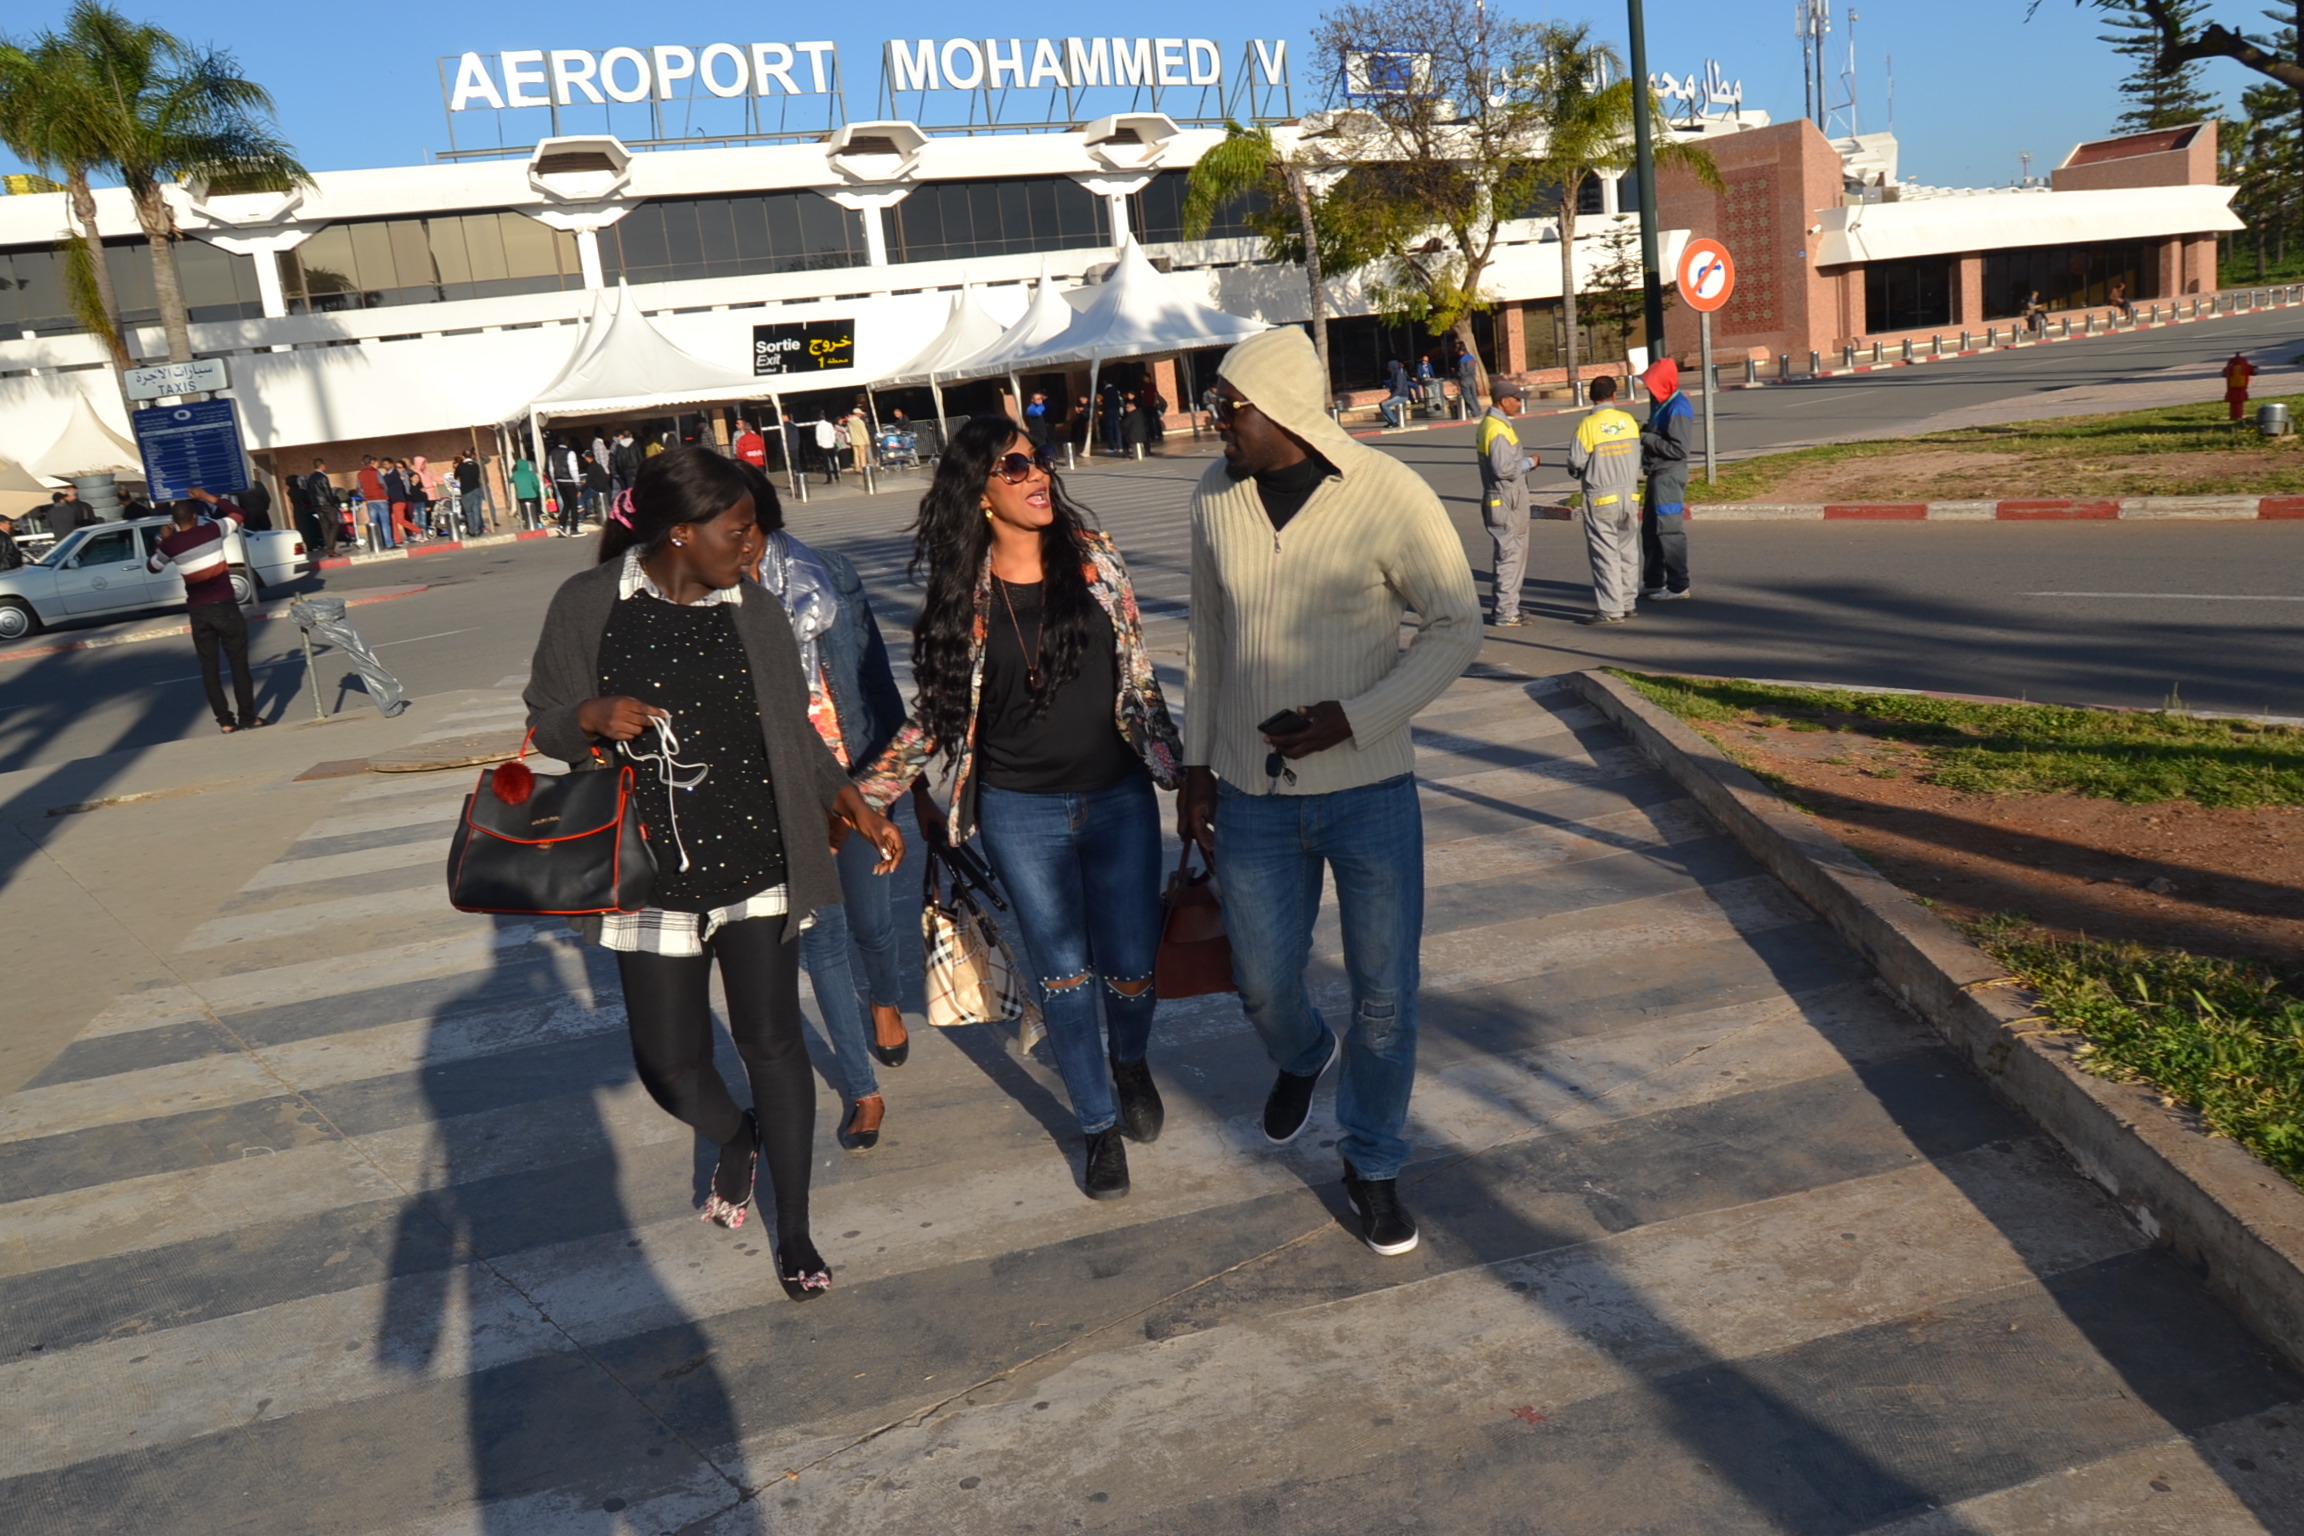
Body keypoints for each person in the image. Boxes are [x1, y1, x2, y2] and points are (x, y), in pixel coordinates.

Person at [521, 447, 903, 1299]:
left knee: (774, 1043)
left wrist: (850, 802)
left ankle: (796, 1231)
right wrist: (585, 715)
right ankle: (737, 1137)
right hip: (645, 869)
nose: (753, 541)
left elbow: (794, 732)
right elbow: (544, 719)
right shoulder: (591, 604)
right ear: (680, 533)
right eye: (737, 529)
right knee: (669, 1064)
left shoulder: (755, 608)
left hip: (759, 861)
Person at [1178, 327, 1481, 1257]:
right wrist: (1195, 769)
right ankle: (1305, 1056)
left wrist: (1359, 715)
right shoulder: (1215, 496)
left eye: (1230, 409)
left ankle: (1374, 1164)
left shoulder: (1389, 495)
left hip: (1371, 793)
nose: (1216, 422)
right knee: (1264, 982)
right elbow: (1208, 640)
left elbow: (1454, 624)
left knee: (1385, 997)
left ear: (1286, 414)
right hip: (1252, 797)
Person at [856, 416, 1184, 1202]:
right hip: (1018, 810)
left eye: (1038, 460)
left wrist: (1188, 774)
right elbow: (935, 712)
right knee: (1065, 978)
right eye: (1014, 466)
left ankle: (1130, 1059)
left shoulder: (1095, 559)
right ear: (978, 495)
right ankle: (1100, 1125)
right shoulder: (962, 596)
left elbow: (1138, 676)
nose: (1037, 475)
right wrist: (873, 792)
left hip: (1117, 798)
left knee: (1133, 969)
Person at [737, 463, 914, 1149]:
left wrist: (903, 782)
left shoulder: (830, 573)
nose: (740, 544)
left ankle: (887, 997)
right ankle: (862, 1090)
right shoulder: (710, 599)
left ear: (766, 519)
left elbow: (874, 677)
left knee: (872, 924)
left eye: (747, 527)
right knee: (823, 942)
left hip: (859, 774)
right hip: (782, 791)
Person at [149, 494, 263, 733]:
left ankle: (225, 721)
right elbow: (238, 513)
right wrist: (207, 496)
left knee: (209, 669)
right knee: (238, 665)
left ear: (174, 521)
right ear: (194, 517)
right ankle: (247, 718)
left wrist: (163, 539)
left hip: (199, 612)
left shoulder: (171, 545)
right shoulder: (212, 530)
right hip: (225, 607)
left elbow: (153, 567)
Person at [1567, 375, 1644, 626]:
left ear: (1591, 396)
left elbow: (1576, 462)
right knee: (1628, 550)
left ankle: (1611, 609)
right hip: (1629, 495)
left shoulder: (1588, 425)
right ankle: (1628, 602)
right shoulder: (1629, 422)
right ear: (1614, 395)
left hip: (1601, 496)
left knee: (1605, 553)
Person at [1477, 380, 1535, 626]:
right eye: (1516, 398)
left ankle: (1506, 606)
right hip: (1506, 498)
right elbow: (1503, 469)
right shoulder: (1497, 429)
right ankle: (1505, 612)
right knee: (1510, 554)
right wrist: (1529, 463)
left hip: (1503, 498)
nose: (1519, 403)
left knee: (1509, 553)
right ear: (1503, 400)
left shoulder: (1495, 425)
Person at [1638, 358, 1694, 602]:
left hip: (1668, 474)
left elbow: (1679, 449)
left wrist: (1647, 438)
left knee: (1669, 530)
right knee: (1650, 530)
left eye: (1652, 383)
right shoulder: (1665, 404)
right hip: (1657, 473)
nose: (1649, 388)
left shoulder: (1677, 407)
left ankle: (1678, 585)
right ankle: (1653, 581)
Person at [302, 461, 346, 558]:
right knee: (335, 524)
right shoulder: (323, 477)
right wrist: (333, 503)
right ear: (322, 466)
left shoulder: (311, 478)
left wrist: (314, 504)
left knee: (325, 526)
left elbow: (310, 492)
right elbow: (327, 492)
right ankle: (330, 547)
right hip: (327, 504)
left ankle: (329, 548)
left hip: (317, 505)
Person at [357, 457, 393, 552]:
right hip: (381, 498)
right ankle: (388, 543)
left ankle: (376, 543)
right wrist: (385, 495)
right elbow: (383, 485)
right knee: (385, 522)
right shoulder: (376, 472)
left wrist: (365, 496)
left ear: (362, 462)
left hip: (370, 500)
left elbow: (358, 488)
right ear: (371, 462)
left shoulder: (360, 474)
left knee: (373, 522)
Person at [548, 440, 583, 534]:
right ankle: (574, 529)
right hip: (569, 481)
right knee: (574, 505)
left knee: (566, 504)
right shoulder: (570, 453)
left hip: (559, 481)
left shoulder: (552, 453)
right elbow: (573, 469)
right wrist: (577, 482)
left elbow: (551, 469)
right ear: (567, 443)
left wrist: (555, 482)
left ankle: (561, 525)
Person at [455, 453, 485, 537]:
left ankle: (472, 531)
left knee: (469, 512)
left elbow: (456, 476)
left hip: (466, 491)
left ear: (463, 457)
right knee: (476, 511)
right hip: (476, 489)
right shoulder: (476, 465)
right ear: (471, 456)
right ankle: (477, 530)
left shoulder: (461, 466)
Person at [511, 453, 542, 530]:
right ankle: (538, 523)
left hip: (521, 497)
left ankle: (526, 523)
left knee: (523, 509)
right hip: (532, 496)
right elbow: (536, 484)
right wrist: (536, 492)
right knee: (536, 508)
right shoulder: (531, 473)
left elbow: (510, 481)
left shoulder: (515, 474)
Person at [2225, 350, 2258, 422]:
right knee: (2239, 399)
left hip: (2232, 387)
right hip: (2241, 387)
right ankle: (2238, 415)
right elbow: (2254, 371)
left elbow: (2224, 373)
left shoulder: (2230, 365)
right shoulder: (2245, 365)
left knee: (2235, 399)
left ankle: (2235, 415)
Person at [844, 405, 871, 477]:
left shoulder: (849, 422)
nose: (861, 415)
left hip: (854, 441)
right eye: (860, 414)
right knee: (862, 455)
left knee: (856, 455)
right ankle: (863, 468)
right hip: (861, 440)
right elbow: (864, 432)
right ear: (857, 414)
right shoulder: (860, 422)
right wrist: (867, 441)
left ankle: (857, 468)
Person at [813, 415, 841, 484]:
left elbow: (818, 436)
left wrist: (819, 444)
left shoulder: (818, 426)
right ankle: (837, 476)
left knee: (826, 463)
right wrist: (833, 441)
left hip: (823, 445)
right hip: (831, 445)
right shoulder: (829, 424)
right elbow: (832, 434)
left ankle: (829, 478)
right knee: (833, 461)